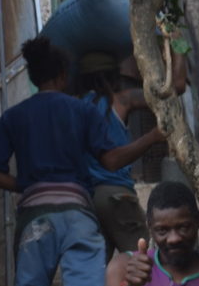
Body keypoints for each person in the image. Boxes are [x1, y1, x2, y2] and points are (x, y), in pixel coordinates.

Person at [0, 36, 162, 286]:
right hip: (78, 211)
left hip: (36, 212)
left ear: (34, 77)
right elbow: (111, 160)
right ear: (63, 75)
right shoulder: (82, 112)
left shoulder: (13, 117)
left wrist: (27, 186)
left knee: (32, 285)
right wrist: (153, 137)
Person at [79, 54, 187, 257]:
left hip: (86, 199)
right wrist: (179, 51)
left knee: (96, 272)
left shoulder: (74, 108)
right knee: (147, 262)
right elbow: (176, 87)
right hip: (116, 195)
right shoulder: (120, 100)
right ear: (114, 79)